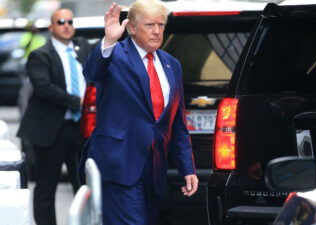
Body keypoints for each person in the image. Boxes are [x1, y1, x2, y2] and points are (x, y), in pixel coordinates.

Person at [80, 0, 198, 224]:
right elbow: (92, 72)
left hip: (154, 168)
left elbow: (178, 124)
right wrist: (109, 41)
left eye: (161, 25)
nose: (156, 31)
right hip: (119, 165)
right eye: (149, 25)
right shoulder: (115, 55)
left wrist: (187, 168)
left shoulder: (172, 64)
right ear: (132, 28)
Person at [17, 8, 91, 225]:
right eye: (60, 22)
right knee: (46, 186)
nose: (66, 25)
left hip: (82, 127)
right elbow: (43, 87)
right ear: (52, 27)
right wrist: (78, 101)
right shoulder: (40, 55)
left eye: (69, 21)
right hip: (51, 130)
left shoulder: (83, 48)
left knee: (85, 185)